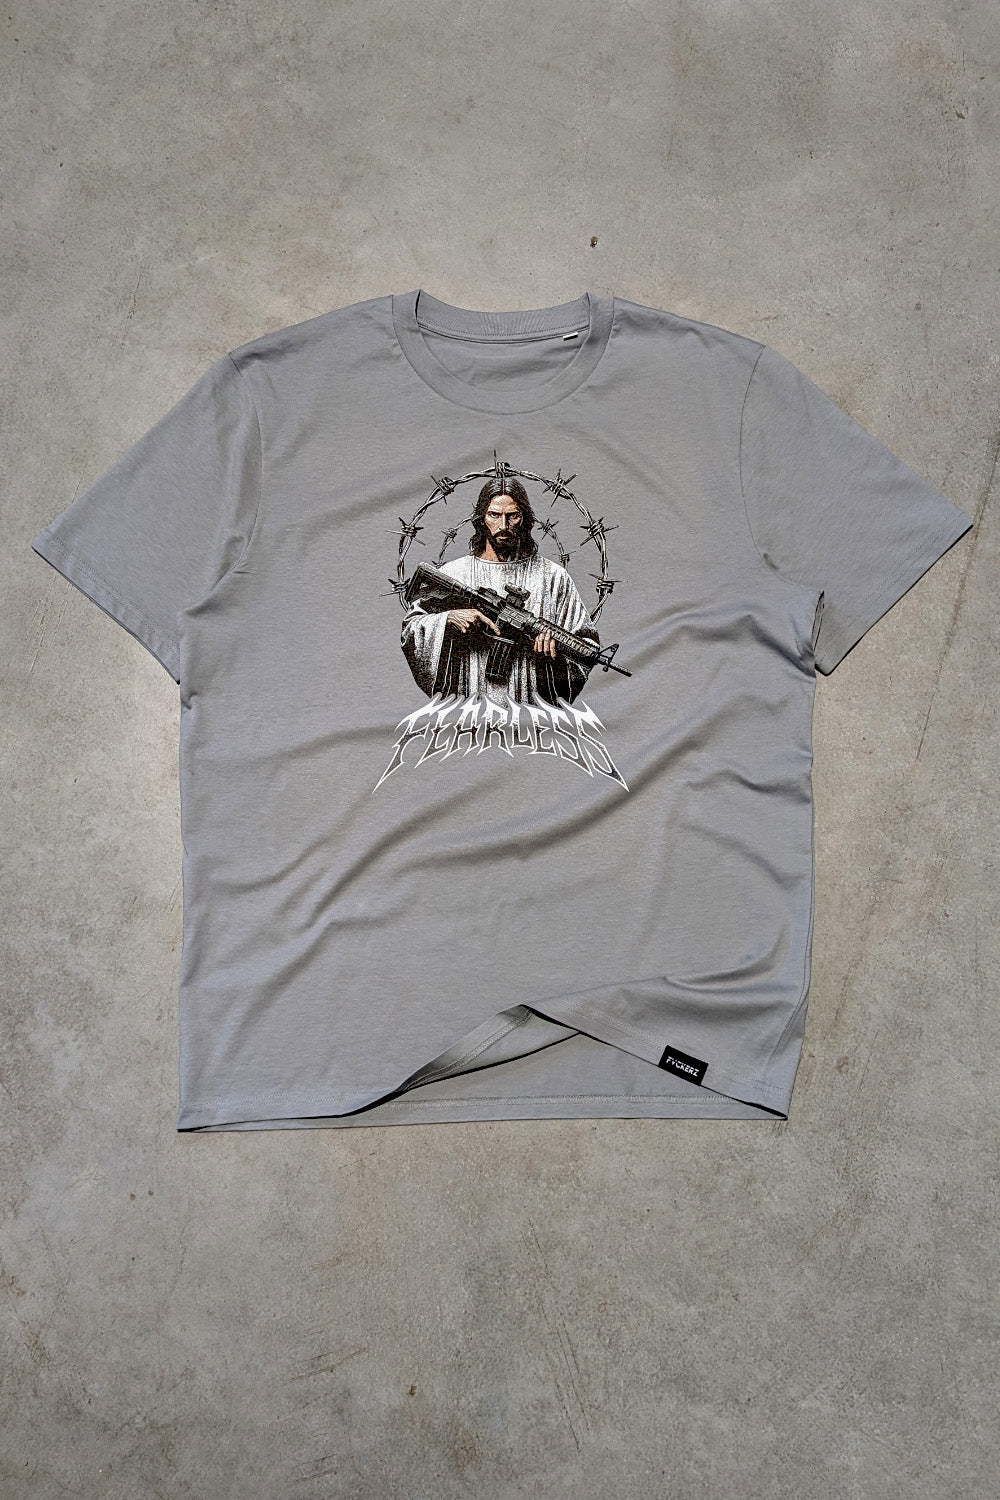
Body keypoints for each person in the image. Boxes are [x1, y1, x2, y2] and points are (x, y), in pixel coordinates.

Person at [401, 478, 600, 706]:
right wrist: (448, 619)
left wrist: (553, 659)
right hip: (469, 706)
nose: (503, 525)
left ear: (525, 519)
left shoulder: (553, 577)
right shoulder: (454, 573)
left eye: (512, 516)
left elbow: (585, 645)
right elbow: (411, 629)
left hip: (530, 709)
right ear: (481, 519)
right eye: (494, 515)